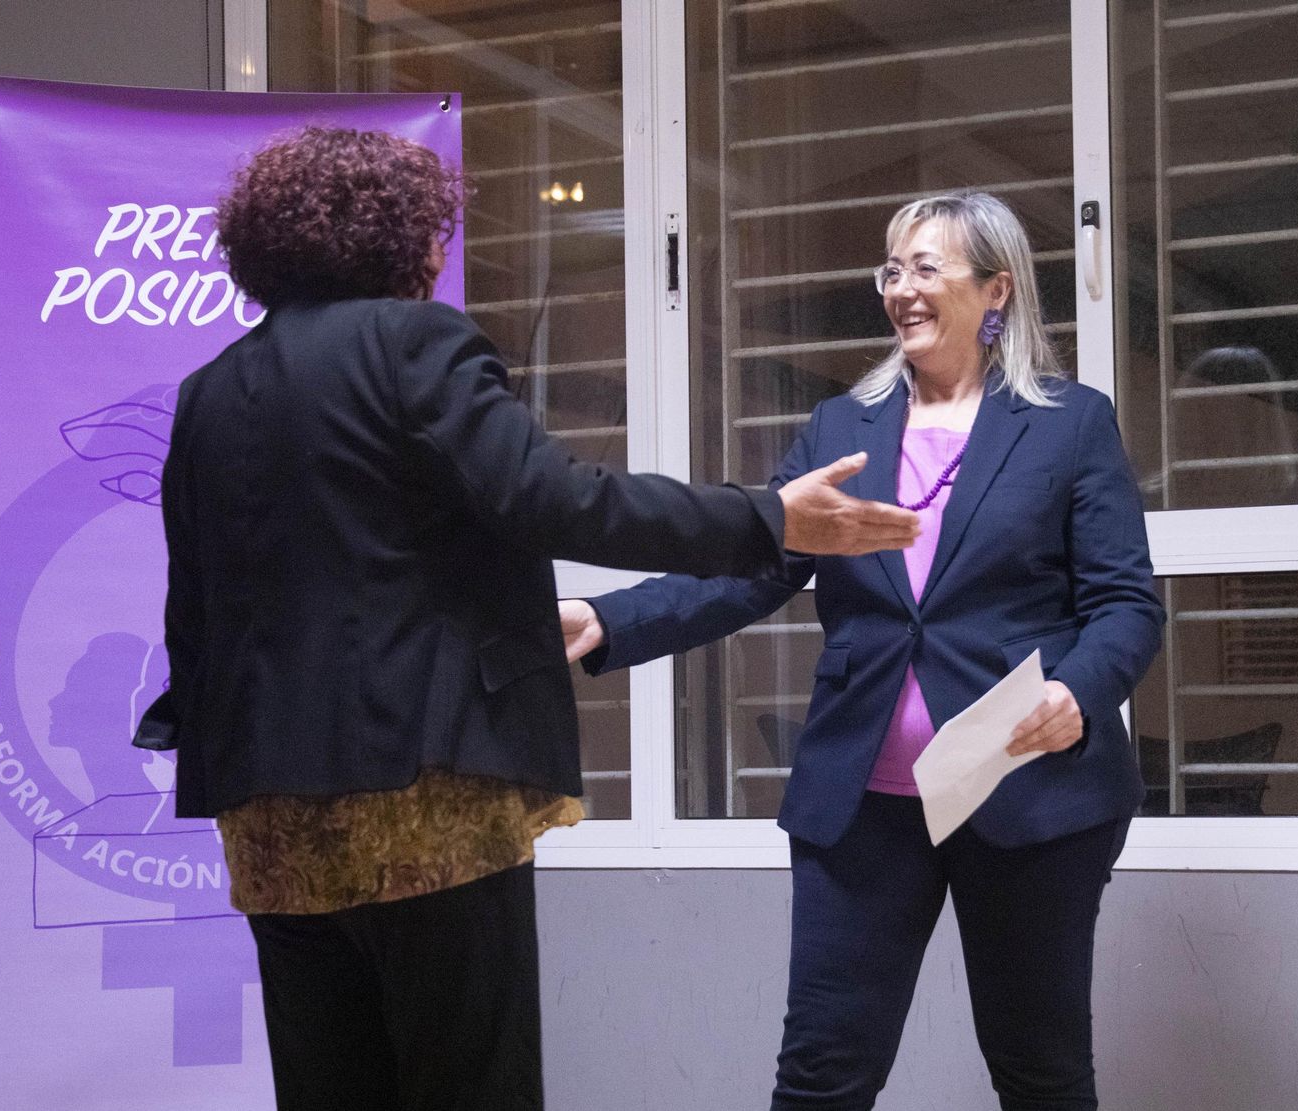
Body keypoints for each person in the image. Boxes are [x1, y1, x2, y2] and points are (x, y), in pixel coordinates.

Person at [133, 126, 919, 1111]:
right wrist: (768, 518)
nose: (438, 252)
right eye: (434, 232)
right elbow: (557, 499)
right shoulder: (413, 343)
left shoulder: (209, 391)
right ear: (395, 236)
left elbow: (195, 599)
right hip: (420, 796)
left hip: (267, 816)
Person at [562, 191, 1165, 1110]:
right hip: (863, 806)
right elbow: (751, 571)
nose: (902, 289)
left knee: (1040, 1073)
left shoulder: (1068, 422)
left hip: (1028, 795)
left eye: (926, 267)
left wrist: (1078, 692)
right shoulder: (841, 429)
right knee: (820, 1076)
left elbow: (1124, 602)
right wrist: (608, 619)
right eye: (891, 270)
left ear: (996, 288)